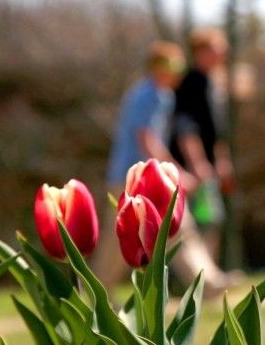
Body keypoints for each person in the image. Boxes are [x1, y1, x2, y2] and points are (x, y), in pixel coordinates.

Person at [95, 40, 232, 295]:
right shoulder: (146, 94)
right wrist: (176, 172)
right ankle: (97, 293)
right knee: (117, 240)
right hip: (130, 178)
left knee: (180, 228)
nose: (178, 72)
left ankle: (208, 282)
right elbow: (146, 138)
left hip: (154, 178)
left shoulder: (165, 96)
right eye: (172, 65)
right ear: (157, 68)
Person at [170, 28, 235, 264]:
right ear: (200, 51)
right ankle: (201, 280)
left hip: (209, 164)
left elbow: (216, 132)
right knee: (197, 224)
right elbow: (186, 127)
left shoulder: (213, 84)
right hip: (191, 167)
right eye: (215, 49)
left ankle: (208, 278)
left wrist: (222, 160)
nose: (220, 54)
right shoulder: (191, 82)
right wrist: (197, 164)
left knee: (211, 221)